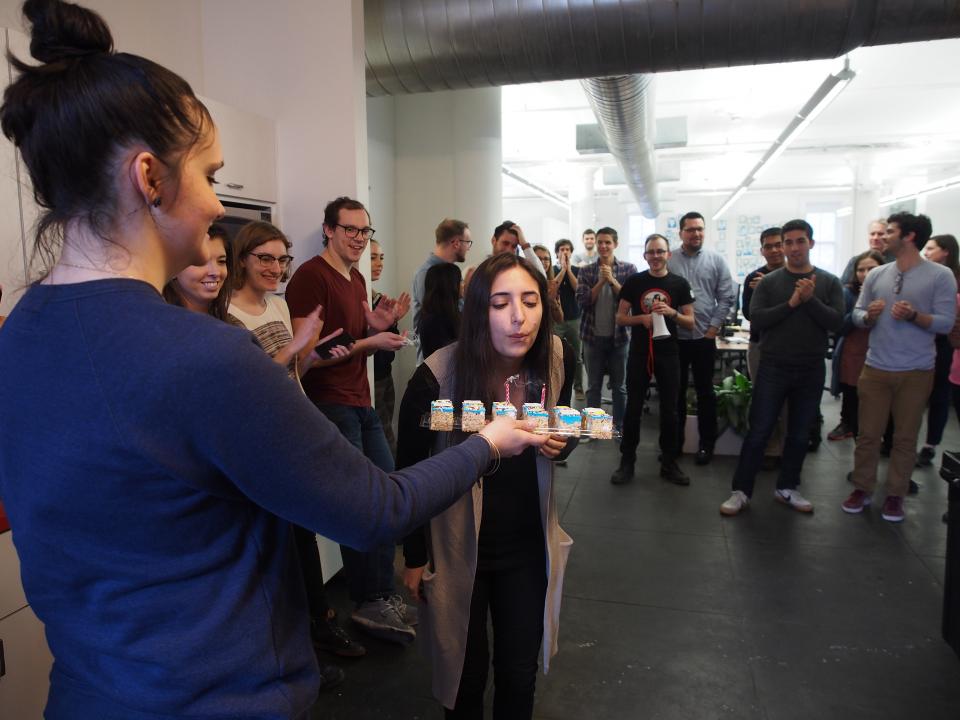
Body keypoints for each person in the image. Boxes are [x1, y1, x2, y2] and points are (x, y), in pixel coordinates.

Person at [0, 2, 548, 716]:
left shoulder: (19, 333)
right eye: (208, 173)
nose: (213, 202)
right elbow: (375, 508)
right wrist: (492, 442)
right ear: (149, 177)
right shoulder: (203, 356)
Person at [175, 223, 362, 685]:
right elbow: (250, 389)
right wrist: (294, 352)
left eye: (282, 260)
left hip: (284, 438)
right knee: (267, 556)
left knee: (296, 543)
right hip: (249, 453)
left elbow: (289, 371)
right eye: (265, 258)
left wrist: (311, 350)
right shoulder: (212, 323)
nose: (275, 268)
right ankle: (287, 654)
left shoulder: (264, 307)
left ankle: (309, 637)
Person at [397, 253, 575, 719]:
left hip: (527, 543)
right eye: (501, 303)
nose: (519, 317)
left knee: (519, 674)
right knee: (464, 676)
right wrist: (415, 557)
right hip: (458, 548)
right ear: (478, 310)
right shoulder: (435, 378)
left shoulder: (556, 357)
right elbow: (409, 473)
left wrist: (562, 443)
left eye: (531, 301)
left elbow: (563, 422)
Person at [285, 196, 424, 644]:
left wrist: (374, 326)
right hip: (330, 405)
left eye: (365, 232)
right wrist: (367, 345)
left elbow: (349, 340)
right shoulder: (309, 277)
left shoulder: (357, 277)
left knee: (384, 494)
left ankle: (379, 594)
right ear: (328, 230)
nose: (359, 240)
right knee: (360, 503)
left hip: (361, 401)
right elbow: (306, 358)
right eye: (350, 231)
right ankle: (371, 599)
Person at [720, 220, 844, 516]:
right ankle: (741, 491)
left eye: (799, 241)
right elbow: (757, 319)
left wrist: (809, 300)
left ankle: (787, 487)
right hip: (774, 365)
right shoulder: (769, 283)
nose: (793, 248)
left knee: (800, 433)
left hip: (811, 368)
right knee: (760, 430)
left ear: (811, 244)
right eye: (788, 242)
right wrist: (792, 303)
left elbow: (837, 322)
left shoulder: (828, 282)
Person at [842, 213, 957, 523]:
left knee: (905, 438)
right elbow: (856, 313)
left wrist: (915, 316)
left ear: (909, 236)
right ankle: (862, 488)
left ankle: (895, 494)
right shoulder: (878, 274)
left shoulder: (940, 275)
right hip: (876, 367)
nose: (883, 237)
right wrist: (868, 316)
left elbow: (946, 323)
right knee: (868, 435)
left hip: (916, 371)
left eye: (890, 231)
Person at [611, 234, 694, 486]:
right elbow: (620, 317)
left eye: (660, 251)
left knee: (670, 410)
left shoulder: (679, 284)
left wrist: (672, 313)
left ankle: (669, 462)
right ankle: (627, 462)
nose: (656, 256)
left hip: (669, 354)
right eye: (651, 252)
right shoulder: (635, 282)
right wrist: (641, 319)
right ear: (645, 255)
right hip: (639, 353)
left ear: (668, 254)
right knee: (633, 408)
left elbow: (691, 322)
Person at [667, 211, 737, 465]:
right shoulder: (670, 259)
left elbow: (727, 297)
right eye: (691, 229)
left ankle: (707, 445)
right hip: (675, 339)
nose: (696, 234)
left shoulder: (716, 261)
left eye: (700, 229)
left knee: (705, 392)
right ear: (681, 232)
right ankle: (674, 445)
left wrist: (712, 329)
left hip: (703, 338)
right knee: (676, 393)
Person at [575, 226, 637, 432]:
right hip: (593, 338)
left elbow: (631, 300)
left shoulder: (629, 270)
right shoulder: (585, 270)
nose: (603, 246)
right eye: (600, 242)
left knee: (620, 387)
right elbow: (583, 301)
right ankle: (594, 428)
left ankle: (619, 427)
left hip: (619, 338)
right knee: (593, 387)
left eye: (607, 242)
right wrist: (601, 281)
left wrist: (611, 280)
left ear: (615, 244)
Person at [828, 250, 884, 441]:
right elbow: (839, 326)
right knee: (851, 390)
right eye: (861, 269)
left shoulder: (891, 291)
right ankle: (849, 424)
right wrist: (862, 308)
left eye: (871, 268)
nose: (866, 274)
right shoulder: (848, 293)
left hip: (881, 352)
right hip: (854, 349)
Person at [915, 234, 960, 467]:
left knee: (939, 394)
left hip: (945, 345)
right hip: (924, 338)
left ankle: (931, 443)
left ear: (946, 252)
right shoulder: (927, 276)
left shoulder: (954, 280)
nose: (926, 252)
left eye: (931, 248)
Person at [412, 217, 471, 332]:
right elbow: (440, 321)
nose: (468, 248)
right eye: (468, 242)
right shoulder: (425, 274)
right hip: (435, 348)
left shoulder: (453, 273)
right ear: (456, 243)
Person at [162, 223, 231, 319]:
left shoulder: (233, 326)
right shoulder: (157, 324)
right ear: (173, 268)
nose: (215, 272)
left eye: (221, 261)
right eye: (200, 261)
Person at [370, 238, 400, 456]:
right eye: (372, 257)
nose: (379, 263)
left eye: (381, 258)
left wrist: (394, 323)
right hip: (371, 378)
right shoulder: (365, 300)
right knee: (382, 438)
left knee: (387, 425)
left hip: (384, 376)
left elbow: (387, 352)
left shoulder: (378, 298)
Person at [553, 239, 582, 396]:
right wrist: (562, 270)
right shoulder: (551, 270)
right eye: (562, 249)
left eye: (568, 249)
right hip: (557, 320)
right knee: (556, 353)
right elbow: (553, 287)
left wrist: (568, 270)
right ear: (557, 252)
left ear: (571, 252)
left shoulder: (577, 270)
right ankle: (557, 385)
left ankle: (578, 386)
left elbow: (577, 288)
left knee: (577, 354)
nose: (565, 252)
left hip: (574, 318)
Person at [418, 261, 462, 359]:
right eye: (460, 281)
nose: (463, 285)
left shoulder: (453, 315)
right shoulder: (434, 321)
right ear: (450, 285)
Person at [839, 219, 894, 285]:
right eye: (872, 234)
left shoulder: (895, 262)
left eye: (880, 234)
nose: (875, 238)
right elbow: (842, 286)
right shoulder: (855, 260)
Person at [533, 244, 564, 325]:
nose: (542, 262)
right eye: (538, 259)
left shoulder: (551, 284)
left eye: (546, 259)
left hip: (547, 331)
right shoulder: (524, 283)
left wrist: (553, 301)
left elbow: (560, 319)